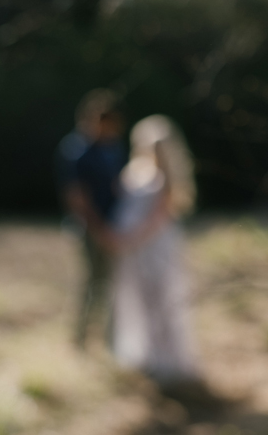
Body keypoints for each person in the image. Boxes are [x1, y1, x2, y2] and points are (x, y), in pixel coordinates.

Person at [111, 115, 201, 387]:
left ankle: (168, 360)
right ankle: (144, 355)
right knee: (136, 298)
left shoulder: (165, 177)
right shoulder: (134, 169)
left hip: (155, 246)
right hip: (132, 249)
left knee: (162, 299)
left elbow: (159, 215)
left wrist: (132, 237)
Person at [57, 89, 127, 350]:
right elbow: (77, 197)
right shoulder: (77, 150)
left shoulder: (111, 148)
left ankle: (110, 340)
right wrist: (98, 229)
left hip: (113, 225)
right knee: (90, 282)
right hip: (91, 227)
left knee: (111, 283)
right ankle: (81, 339)